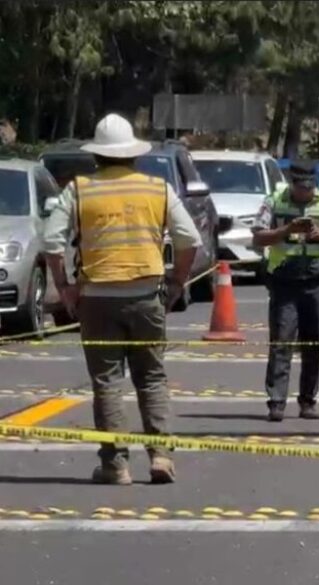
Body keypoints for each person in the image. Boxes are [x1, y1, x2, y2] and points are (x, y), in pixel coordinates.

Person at [43, 113, 202, 485]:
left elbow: (52, 242)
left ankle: (115, 465)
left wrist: (64, 286)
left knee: (107, 381)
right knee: (151, 377)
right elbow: (189, 239)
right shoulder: (157, 188)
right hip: (147, 294)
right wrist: (177, 281)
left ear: (96, 156)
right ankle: (161, 456)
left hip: (96, 298)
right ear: (134, 154)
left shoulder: (79, 189)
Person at [252, 159, 319, 422]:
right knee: (282, 342)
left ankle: (308, 401)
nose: (304, 193)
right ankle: (276, 402)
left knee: (313, 345)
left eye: (309, 188)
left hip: (316, 282)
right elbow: (258, 237)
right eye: (300, 188)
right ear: (292, 182)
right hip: (284, 282)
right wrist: (287, 230)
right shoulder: (274, 201)